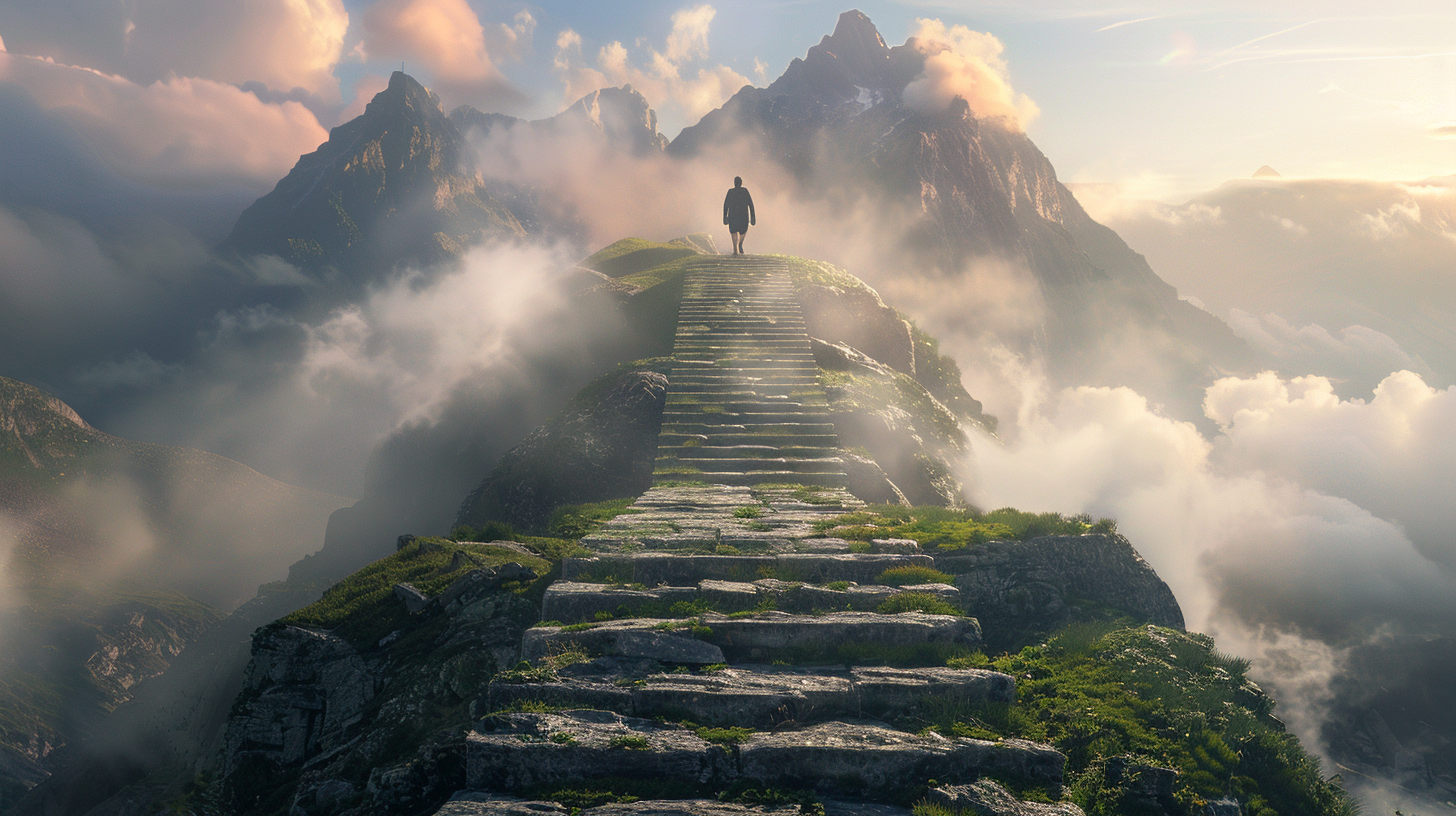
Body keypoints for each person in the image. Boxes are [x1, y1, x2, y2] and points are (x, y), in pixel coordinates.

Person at [722, 176, 755, 255]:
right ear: (741, 183)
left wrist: (725, 216)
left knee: (733, 231)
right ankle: (740, 244)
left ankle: (735, 249)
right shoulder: (745, 191)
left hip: (733, 215)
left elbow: (726, 205)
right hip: (743, 215)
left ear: (734, 183)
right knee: (743, 231)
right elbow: (751, 205)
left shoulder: (731, 192)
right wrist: (753, 217)